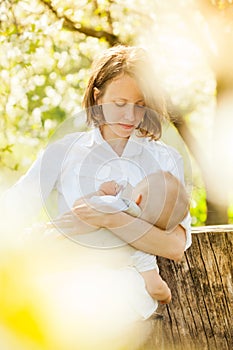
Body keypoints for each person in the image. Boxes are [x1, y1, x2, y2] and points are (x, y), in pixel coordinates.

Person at [1, 45, 192, 320]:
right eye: (119, 104)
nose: (130, 116)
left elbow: (174, 246)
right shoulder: (63, 152)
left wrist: (110, 219)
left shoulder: (164, 159)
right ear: (97, 97)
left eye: (140, 105)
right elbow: (14, 209)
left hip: (124, 289)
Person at [66, 170, 189, 305]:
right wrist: (166, 296)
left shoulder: (112, 204)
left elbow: (78, 207)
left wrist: (100, 193)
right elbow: (156, 288)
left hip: (64, 254)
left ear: (138, 198)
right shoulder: (143, 248)